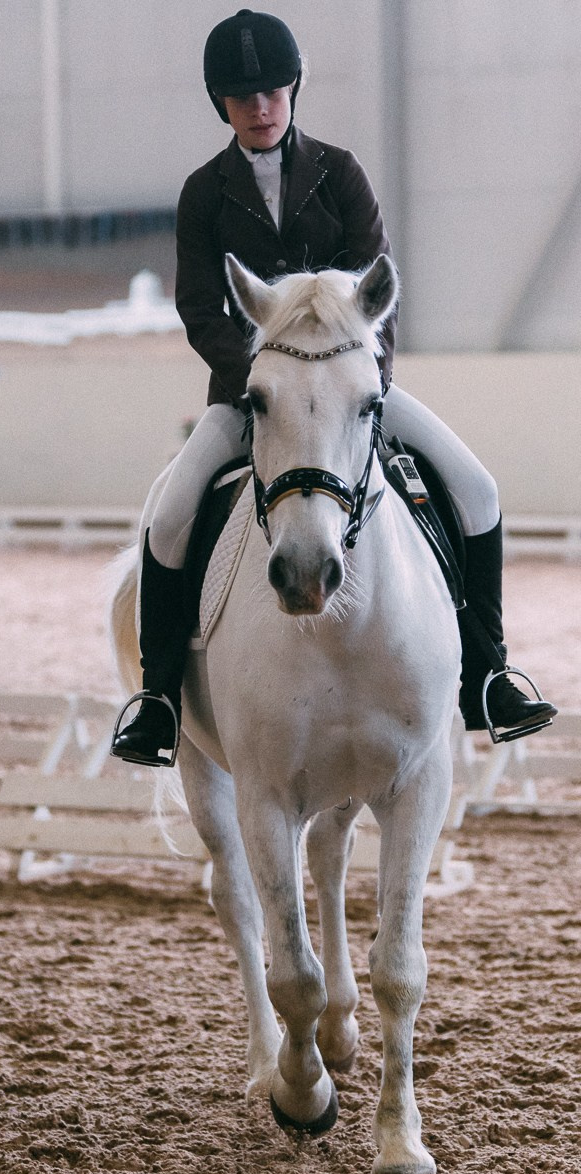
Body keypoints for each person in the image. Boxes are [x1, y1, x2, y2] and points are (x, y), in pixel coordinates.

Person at [112, 8, 556, 767]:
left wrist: (363, 382)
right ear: (221, 101)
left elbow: (378, 294)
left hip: (351, 397)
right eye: (243, 96)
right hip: (253, 394)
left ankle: (487, 673)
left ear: (294, 90)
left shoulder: (340, 173)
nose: (260, 107)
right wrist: (262, 379)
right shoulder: (204, 193)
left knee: (476, 489)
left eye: (273, 92)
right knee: (170, 517)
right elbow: (197, 309)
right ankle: (158, 699)